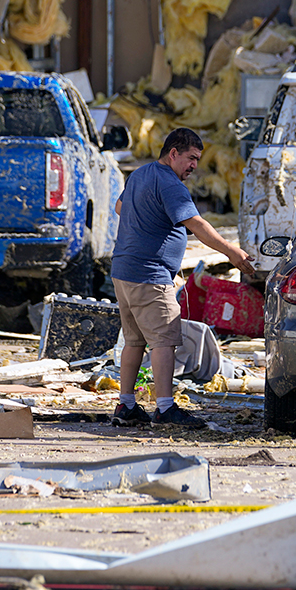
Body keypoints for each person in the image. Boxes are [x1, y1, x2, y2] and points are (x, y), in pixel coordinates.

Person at [110, 127, 255, 427]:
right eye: (190, 158)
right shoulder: (170, 184)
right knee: (164, 340)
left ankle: (125, 406)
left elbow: (120, 207)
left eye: (198, 160)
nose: (193, 166)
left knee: (134, 342)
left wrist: (148, 223)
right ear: (173, 153)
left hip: (123, 272)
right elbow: (197, 224)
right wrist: (232, 252)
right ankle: (164, 408)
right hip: (150, 276)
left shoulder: (140, 174)